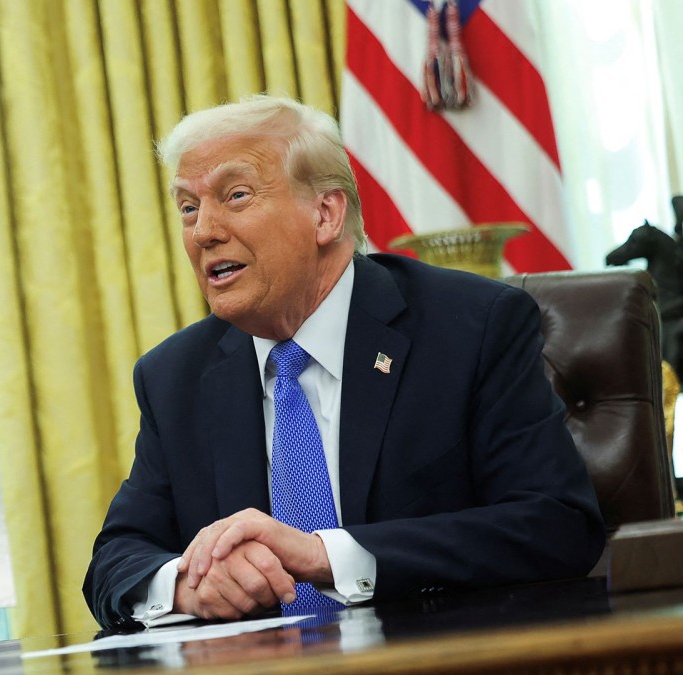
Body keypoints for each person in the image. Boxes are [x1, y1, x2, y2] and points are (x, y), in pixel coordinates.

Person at [83, 95, 605, 630]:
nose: (203, 232)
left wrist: (328, 556)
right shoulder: (176, 377)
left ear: (325, 214)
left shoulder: (471, 327)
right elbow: (116, 558)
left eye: (235, 196)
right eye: (189, 207)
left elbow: (556, 525)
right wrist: (187, 585)